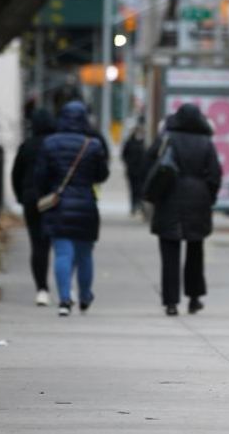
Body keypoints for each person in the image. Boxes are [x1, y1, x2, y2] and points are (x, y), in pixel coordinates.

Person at [33, 101, 110, 317]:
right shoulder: (92, 144)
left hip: (59, 204)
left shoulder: (50, 143)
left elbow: (40, 176)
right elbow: (102, 175)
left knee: (62, 253)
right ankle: (85, 295)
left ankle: (64, 299)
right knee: (85, 254)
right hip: (86, 203)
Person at [146, 103, 222, 317]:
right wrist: (209, 196)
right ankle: (194, 297)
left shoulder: (167, 138)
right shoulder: (206, 142)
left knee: (169, 252)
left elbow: (150, 160)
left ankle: (171, 302)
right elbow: (215, 173)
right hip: (198, 199)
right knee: (195, 250)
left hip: (169, 196)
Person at [10, 109, 56, 306]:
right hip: (53, 200)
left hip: (31, 200)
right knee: (59, 245)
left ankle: (41, 288)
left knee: (37, 245)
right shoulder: (55, 145)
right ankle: (65, 287)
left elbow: (16, 175)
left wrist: (21, 197)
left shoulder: (26, 146)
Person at [121, 119, 147, 214]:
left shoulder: (144, 142)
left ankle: (139, 204)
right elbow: (124, 154)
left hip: (141, 170)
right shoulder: (129, 142)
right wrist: (128, 163)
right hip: (132, 170)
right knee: (133, 188)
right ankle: (133, 205)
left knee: (140, 188)